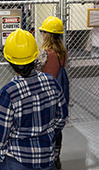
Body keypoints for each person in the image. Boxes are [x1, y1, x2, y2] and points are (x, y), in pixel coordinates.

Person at [0, 28, 68, 170]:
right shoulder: (51, 82)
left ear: (9, 60)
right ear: (35, 57)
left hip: (17, 160)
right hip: (46, 157)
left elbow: (1, 136)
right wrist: (47, 136)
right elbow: (62, 117)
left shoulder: (8, 92)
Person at [35, 16, 68, 170]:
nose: (41, 34)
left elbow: (35, 71)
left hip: (44, 95)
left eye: (43, 32)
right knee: (56, 127)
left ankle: (44, 156)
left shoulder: (43, 53)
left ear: (47, 34)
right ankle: (56, 157)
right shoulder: (62, 52)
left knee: (43, 126)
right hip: (58, 95)